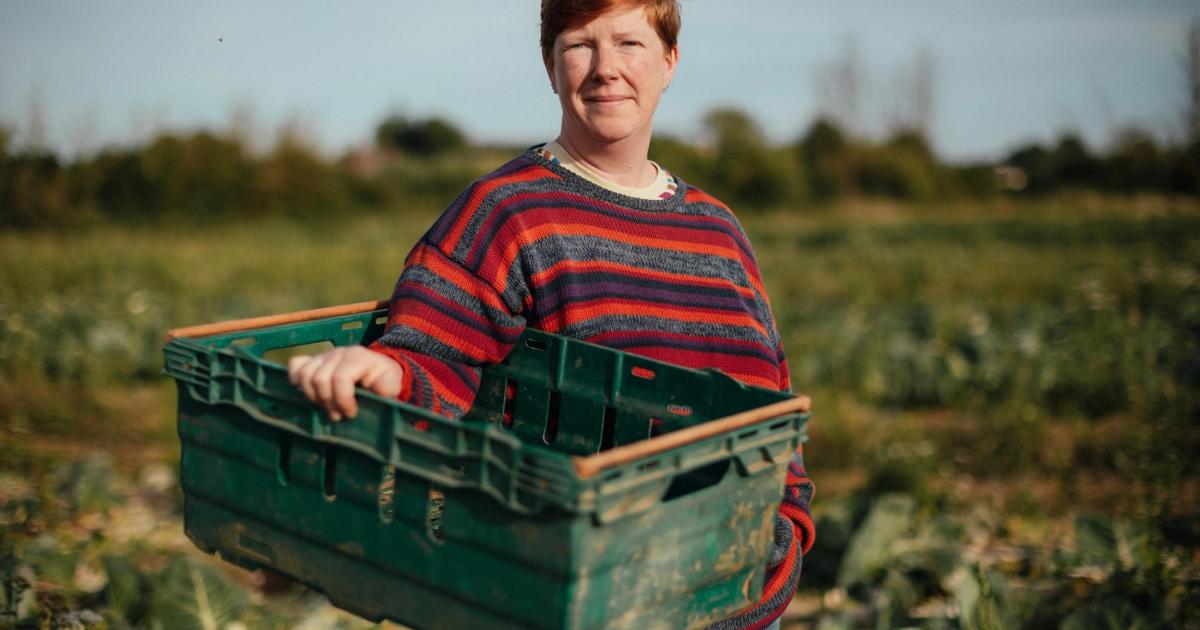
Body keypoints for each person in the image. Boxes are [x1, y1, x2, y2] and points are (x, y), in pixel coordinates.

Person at [287, 1, 814, 627]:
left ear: (670, 61)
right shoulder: (507, 211)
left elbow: (772, 410)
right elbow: (432, 353)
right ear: (549, 65)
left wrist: (784, 540)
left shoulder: (720, 233)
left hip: (737, 601)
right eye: (579, 45)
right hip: (579, 599)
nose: (605, 69)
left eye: (629, 44)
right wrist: (383, 373)